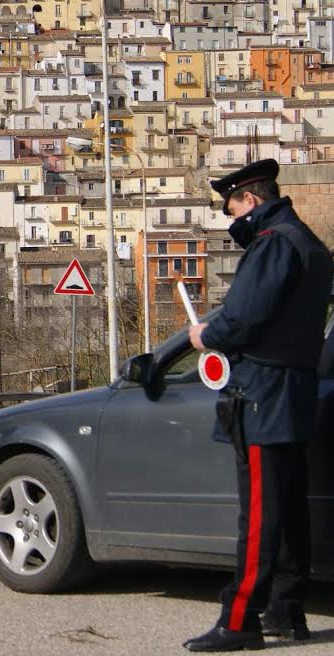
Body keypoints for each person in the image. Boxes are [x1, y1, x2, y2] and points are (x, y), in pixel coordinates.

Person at [184, 159, 332, 652]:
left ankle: (239, 619)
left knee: (260, 515)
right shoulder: (307, 243)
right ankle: (287, 611)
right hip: (295, 388)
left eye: (231, 209)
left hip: (262, 394)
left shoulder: (272, 244)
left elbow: (243, 317)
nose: (232, 219)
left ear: (249, 200)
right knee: (288, 508)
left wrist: (206, 336)